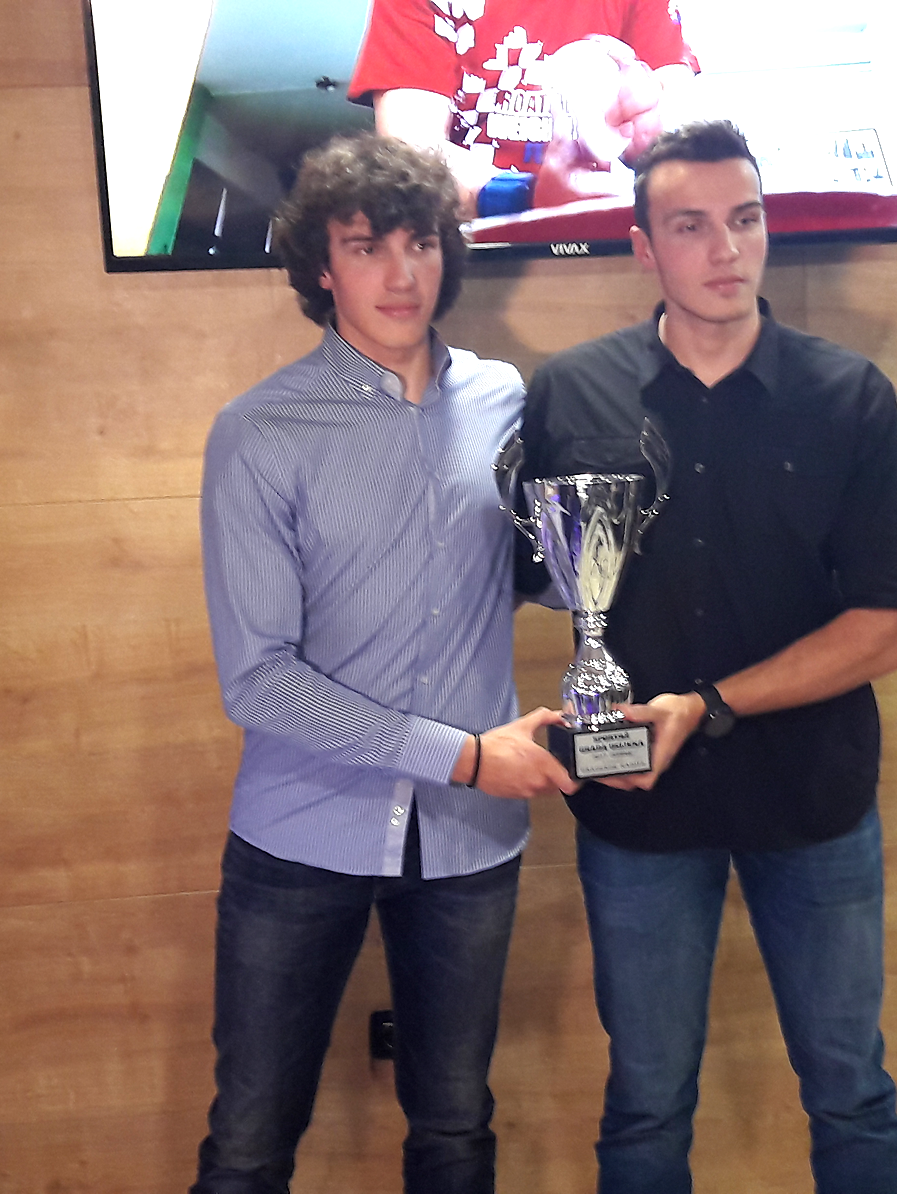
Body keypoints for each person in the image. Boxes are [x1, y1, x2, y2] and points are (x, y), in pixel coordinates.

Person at [516, 119, 897, 1194]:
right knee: (645, 1104)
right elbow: (529, 576)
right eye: (691, 227)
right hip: (636, 807)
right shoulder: (570, 393)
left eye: (744, 220)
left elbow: (893, 625)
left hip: (813, 801)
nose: (726, 250)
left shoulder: (848, 396)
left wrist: (705, 704)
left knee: (851, 1092)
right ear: (642, 248)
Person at [191, 132, 577, 1194]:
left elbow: (542, 577)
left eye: (421, 243)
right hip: (299, 836)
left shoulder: (506, 401)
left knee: (455, 1131)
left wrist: (602, 578)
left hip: (467, 845)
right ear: (322, 267)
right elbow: (258, 680)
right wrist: (464, 757)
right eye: (368, 247)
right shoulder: (259, 432)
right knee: (248, 1147)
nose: (402, 274)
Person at [348, 0, 697, 218]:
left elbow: (681, 126)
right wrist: (524, 197)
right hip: (477, 255)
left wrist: (651, 131)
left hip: (607, 244)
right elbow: (408, 150)